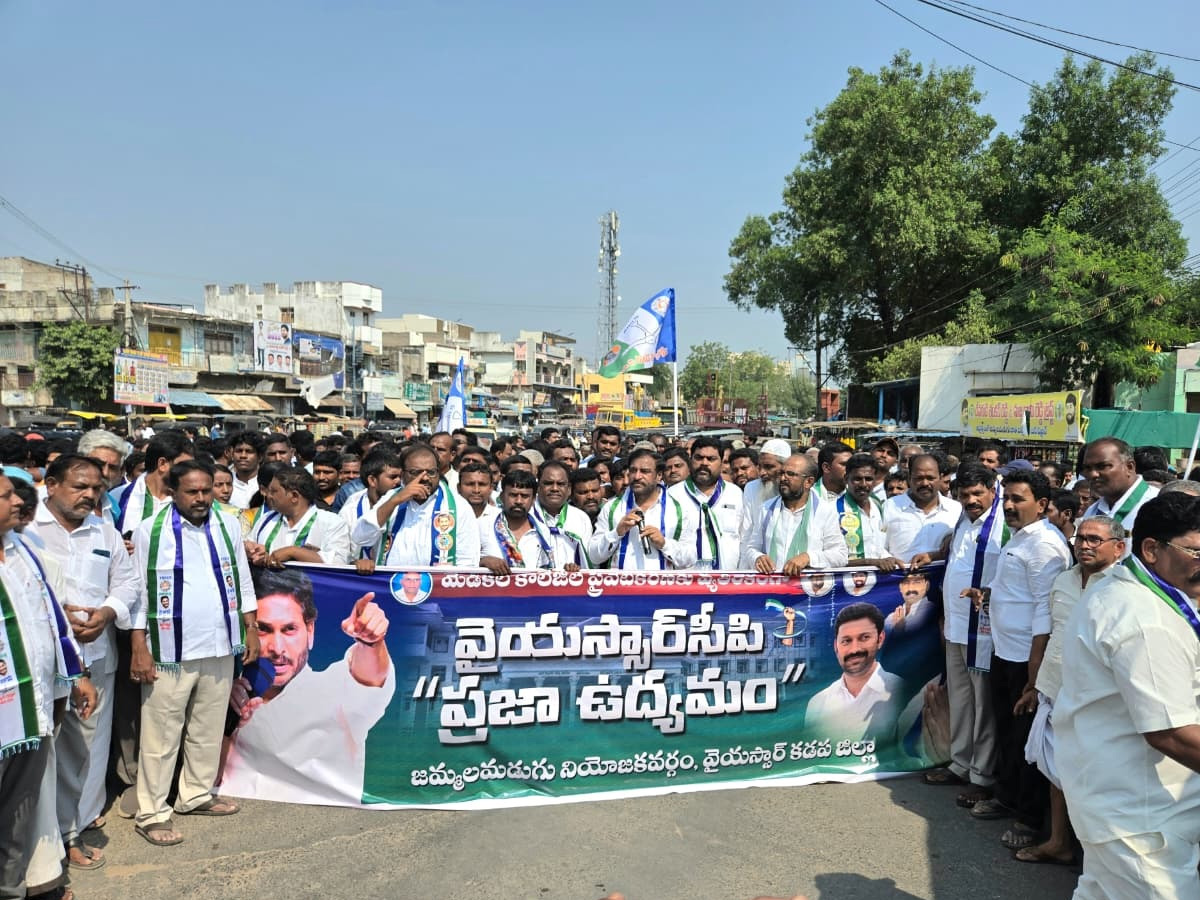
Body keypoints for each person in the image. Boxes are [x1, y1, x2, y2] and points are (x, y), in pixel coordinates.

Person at [1056, 494, 1200, 898]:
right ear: (1151, 549)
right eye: (1196, 552)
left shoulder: (1130, 587)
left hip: (1120, 799)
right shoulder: (1144, 619)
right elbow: (1169, 732)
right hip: (1141, 816)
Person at [130, 459, 259, 846]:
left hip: (220, 643)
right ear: (172, 491)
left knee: (207, 726)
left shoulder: (227, 524)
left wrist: (250, 628)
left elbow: (242, 574)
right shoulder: (149, 532)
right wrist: (139, 646)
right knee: (161, 735)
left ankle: (196, 794)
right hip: (169, 650)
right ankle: (152, 811)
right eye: (193, 492)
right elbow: (136, 593)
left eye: (207, 490)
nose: (202, 498)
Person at [26, 455, 139, 872]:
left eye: (97, 488)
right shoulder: (25, 529)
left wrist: (106, 613)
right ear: (51, 485)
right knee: (40, 751)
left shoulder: (104, 531)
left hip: (95, 655)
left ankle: (72, 832)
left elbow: (127, 583)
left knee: (87, 749)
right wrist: (59, 616)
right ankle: (38, 841)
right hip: (40, 661)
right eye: (79, 486)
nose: (90, 495)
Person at [221, 568, 394, 806]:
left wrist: (370, 642)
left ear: (310, 630)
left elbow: (368, 676)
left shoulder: (333, 691)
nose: (277, 648)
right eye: (264, 629)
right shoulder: (229, 691)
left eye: (289, 629)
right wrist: (229, 727)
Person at [963, 470, 1070, 852]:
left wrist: (1035, 672)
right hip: (1004, 651)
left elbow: (1046, 608)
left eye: (1018, 499)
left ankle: (1029, 818)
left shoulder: (1045, 546)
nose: (1008, 506)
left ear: (1041, 505)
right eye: (1006, 498)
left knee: (1030, 743)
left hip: (1028, 658)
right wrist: (987, 593)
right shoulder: (1019, 540)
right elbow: (1017, 592)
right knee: (1011, 734)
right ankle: (1007, 799)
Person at [0, 473, 96, 900]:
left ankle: (12, 888)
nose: (20, 502)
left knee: (17, 811)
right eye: (6, 497)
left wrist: (75, 677)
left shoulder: (20, 550)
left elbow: (48, 620)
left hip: (31, 707)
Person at [1011, 514, 1123, 867]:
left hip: (1100, 697)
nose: (1085, 545)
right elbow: (1053, 637)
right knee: (1057, 771)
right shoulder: (1063, 580)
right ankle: (1059, 842)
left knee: (1096, 779)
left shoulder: (1123, 587)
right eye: (1081, 539)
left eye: (1095, 540)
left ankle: (1101, 858)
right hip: (1055, 689)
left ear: (1119, 548)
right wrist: (1034, 685)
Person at [910, 465, 1004, 806]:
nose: (971, 500)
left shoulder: (1001, 524)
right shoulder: (964, 520)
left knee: (983, 703)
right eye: (964, 495)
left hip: (984, 627)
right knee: (961, 698)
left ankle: (982, 773)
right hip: (956, 624)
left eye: (978, 493)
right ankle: (960, 762)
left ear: (993, 490)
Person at [351, 444, 480, 568]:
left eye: (431, 472)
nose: (424, 478)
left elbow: (467, 561)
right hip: (391, 585)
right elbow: (360, 537)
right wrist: (395, 501)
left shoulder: (458, 506)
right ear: (402, 474)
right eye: (415, 472)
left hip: (438, 586)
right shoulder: (391, 498)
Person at [805, 602, 902, 740]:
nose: (855, 649)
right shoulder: (818, 704)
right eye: (846, 641)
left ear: (880, 639)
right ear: (836, 646)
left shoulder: (901, 691)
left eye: (864, 638)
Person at [589, 449, 698, 571]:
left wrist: (664, 544)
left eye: (645, 471)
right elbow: (594, 556)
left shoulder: (680, 509)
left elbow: (690, 558)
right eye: (633, 470)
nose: (637, 476)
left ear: (659, 476)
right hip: (621, 587)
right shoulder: (611, 508)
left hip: (661, 587)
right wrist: (617, 533)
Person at [742, 454, 848, 574]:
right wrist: (757, 558)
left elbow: (840, 555)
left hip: (807, 589)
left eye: (791, 474)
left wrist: (808, 558)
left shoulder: (824, 511)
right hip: (772, 587)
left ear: (808, 482)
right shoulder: (766, 509)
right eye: (782, 473)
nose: (783, 478)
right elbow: (751, 548)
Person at [246, 466, 353, 567]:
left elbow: (338, 563)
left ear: (294, 496)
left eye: (274, 491)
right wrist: (250, 550)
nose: (268, 495)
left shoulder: (332, 522)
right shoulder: (266, 519)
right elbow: (249, 546)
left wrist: (294, 552)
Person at [670, 437, 744, 571]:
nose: (704, 463)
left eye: (711, 459)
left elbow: (743, 537)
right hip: (685, 580)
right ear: (690, 460)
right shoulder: (673, 495)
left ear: (722, 463)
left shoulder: (735, 494)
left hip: (726, 578)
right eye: (698, 458)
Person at [1079, 437, 1158, 551]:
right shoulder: (1092, 511)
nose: (1093, 474)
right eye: (1087, 468)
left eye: (1102, 466)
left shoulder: (1158, 505)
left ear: (1129, 467)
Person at [111, 430, 195, 536]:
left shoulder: (194, 499)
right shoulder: (117, 498)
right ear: (162, 464)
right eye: (185, 465)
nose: (190, 472)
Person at [883, 455, 962, 564]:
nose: (925, 483)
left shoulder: (956, 509)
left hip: (942, 579)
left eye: (930, 478)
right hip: (897, 578)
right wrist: (889, 560)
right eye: (919, 478)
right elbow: (878, 547)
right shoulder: (889, 507)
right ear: (910, 479)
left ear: (940, 477)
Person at [838, 453, 898, 570]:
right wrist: (869, 562)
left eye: (869, 479)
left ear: (875, 480)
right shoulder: (834, 510)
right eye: (857, 479)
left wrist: (889, 558)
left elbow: (879, 546)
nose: (863, 484)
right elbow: (831, 558)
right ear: (846, 479)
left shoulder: (878, 506)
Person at [531, 461, 592, 569]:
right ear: (538, 487)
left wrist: (576, 568)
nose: (554, 488)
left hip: (571, 583)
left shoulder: (581, 518)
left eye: (560, 484)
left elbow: (589, 559)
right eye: (548, 483)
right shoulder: (527, 515)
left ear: (569, 489)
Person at [227, 431, 265, 509]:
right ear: (232, 454)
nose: (243, 456)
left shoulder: (267, 484)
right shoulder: (224, 484)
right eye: (239, 451)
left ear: (260, 457)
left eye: (249, 451)